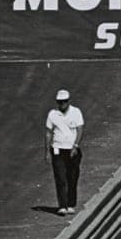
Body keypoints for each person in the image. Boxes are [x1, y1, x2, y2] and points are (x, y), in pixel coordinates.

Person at [45, 88, 84, 216]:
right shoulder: (52, 114)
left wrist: (75, 146)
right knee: (60, 177)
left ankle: (71, 203)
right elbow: (48, 133)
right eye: (60, 102)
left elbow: (79, 129)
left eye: (64, 102)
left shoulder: (76, 112)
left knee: (72, 177)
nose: (62, 104)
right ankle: (62, 205)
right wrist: (47, 151)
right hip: (58, 149)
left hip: (72, 150)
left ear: (68, 101)